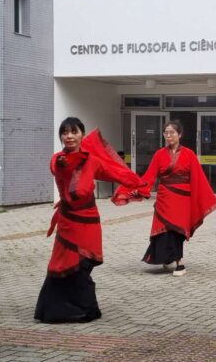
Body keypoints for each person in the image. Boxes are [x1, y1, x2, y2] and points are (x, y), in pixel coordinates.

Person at [35, 117, 147, 323]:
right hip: (68, 221)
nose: (69, 136)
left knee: (83, 264)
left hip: (88, 221)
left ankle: (85, 308)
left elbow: (115, 172)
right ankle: (59, 309)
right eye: (65, 132)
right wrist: (63, 162)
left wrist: (139, 183)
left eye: (74, 132)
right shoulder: (57, 159)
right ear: (61, 136)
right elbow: (59, 167)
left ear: (82, 135)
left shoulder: (92, 161)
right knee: (63, 263)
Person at [113, 120, 216, 276]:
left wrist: (203, 198)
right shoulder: (159, 154)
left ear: (180, 135)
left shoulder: (189, 154)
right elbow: (149, 176)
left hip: (182, 198)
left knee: (177, 230)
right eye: (166, 133)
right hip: (164, 197)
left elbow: (198, 178)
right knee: (164, 231)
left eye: (172, 133)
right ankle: (168, 257)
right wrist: (136, 189)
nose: (168, 136)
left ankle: (179, 263)